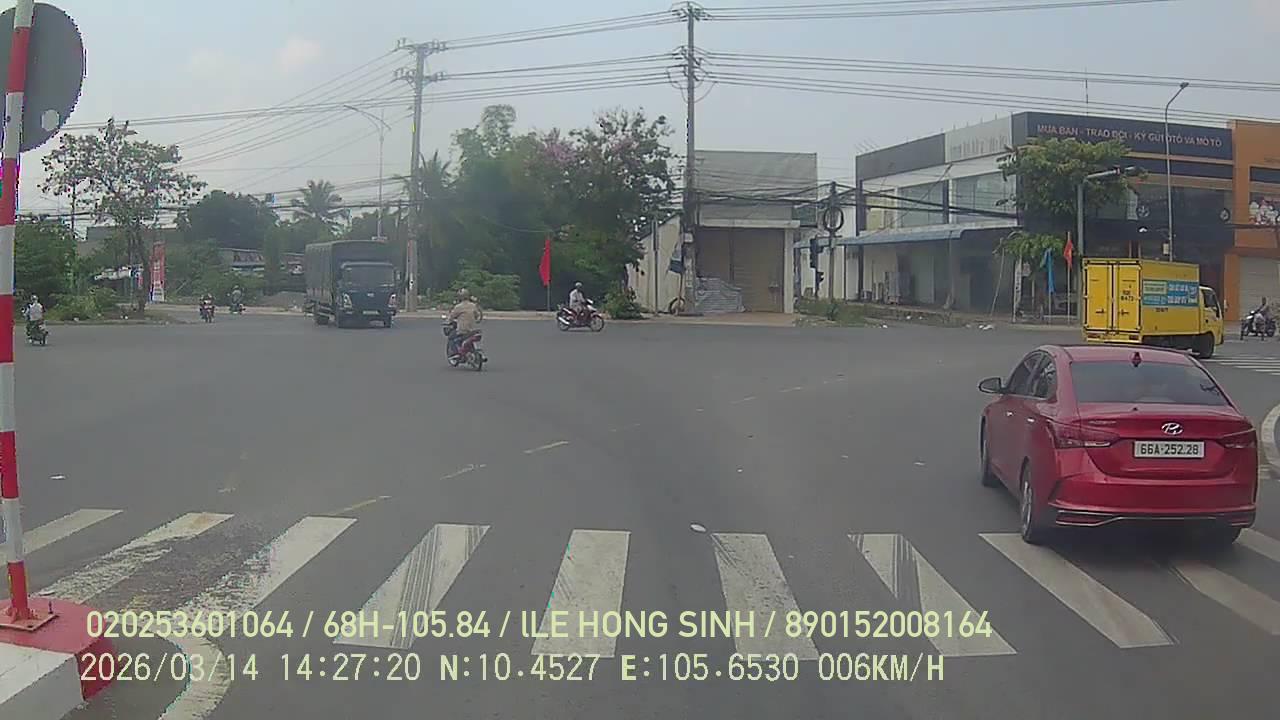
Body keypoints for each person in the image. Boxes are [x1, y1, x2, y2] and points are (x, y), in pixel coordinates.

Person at [447, 289, 482, 360]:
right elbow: (477, 316)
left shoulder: (458, 307)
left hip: (462, 330)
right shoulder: (473, 305)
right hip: (472, 330)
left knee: (451, 338)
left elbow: (451, 317)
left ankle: (455, 354)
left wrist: (448, 321)